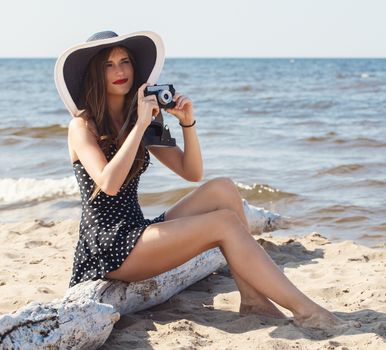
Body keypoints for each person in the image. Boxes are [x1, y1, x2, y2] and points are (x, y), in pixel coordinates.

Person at [54, 30, 347, 331]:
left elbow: (191, 172)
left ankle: (253, 298)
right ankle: (306, 310)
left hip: (137, 231)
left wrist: (187, 122)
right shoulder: (82, 125)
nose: (120, 71)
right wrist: (140, 125)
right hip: (107, 246)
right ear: (95, 74)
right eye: (109, 64)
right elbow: (109, 183)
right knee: (224, 223)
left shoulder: (137, 117)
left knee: (223, 188)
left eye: (125, 61)